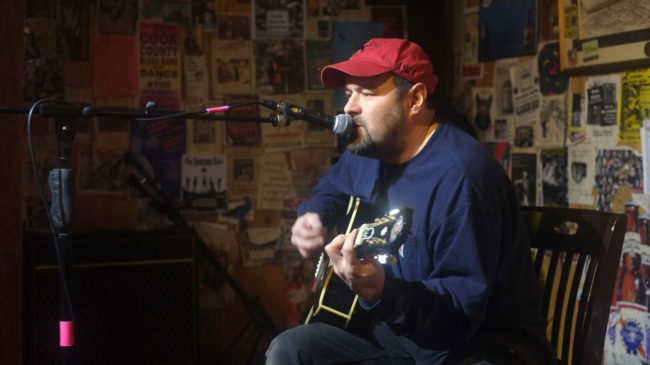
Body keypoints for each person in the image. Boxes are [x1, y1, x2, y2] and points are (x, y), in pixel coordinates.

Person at [266, 38, 555, 364]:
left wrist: (381, 292)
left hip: (478, 346)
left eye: (367, 93)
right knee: (291, 349)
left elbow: (460, 316)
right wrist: (314, 216)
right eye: (349, 93)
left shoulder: (462, 177)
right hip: (402, 334)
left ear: (415, 99)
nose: (349, 108)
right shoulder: (370, 151)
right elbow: (333, 186)